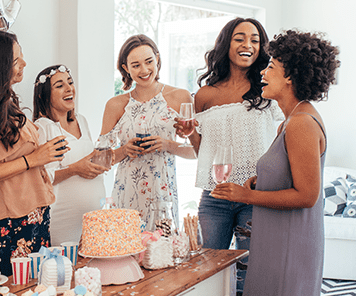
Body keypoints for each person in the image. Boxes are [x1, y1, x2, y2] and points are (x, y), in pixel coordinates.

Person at [210, 29, 339, 296]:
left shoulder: (302, 123)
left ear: (290, 76)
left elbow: (307, 196)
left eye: (271, 67)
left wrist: (246, 195)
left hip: (290, 245)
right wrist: (263, 180)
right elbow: (292, 172)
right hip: (277, 239)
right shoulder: (290, 120)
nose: (263, 73)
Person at [174, 17, 283, 294]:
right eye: (240, 38)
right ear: (227, 44)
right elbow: (203, 152)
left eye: (255, 40)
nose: (248, 45)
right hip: (216, 197)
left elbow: (285, 136)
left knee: (250, 272)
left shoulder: (268, 90)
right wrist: (190, 133)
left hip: (253, 195)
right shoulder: (205, 95)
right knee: (209, 271)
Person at [0, 30, 66, 276]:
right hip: (13, 223)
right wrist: (32, 159)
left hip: (34, 214)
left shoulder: (6, 103)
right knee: (18, 288)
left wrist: (44, 153)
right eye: (16, 60)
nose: (25, 64)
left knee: (38, 287)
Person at [100, 34, 195, 231]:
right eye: (135, 65)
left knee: (162, 255)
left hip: (164, 197)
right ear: (126, 68)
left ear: (157, 59)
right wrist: (124, 150)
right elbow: (99, 160)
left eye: (149, 61)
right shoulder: (115, 105)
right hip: (126, 197)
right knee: (127, 256)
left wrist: (168, 145)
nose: (144, 70)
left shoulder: (180, 97)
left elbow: (198, 151)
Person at [32, 64, 109, 244]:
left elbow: (87, 157)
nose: (69, 89)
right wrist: (75, 169)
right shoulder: (43, 127)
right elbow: (42, 178)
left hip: (94, 217)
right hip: (63, 219)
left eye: (70, 82)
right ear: (44, 95)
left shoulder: (81, 120)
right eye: (59, 85)